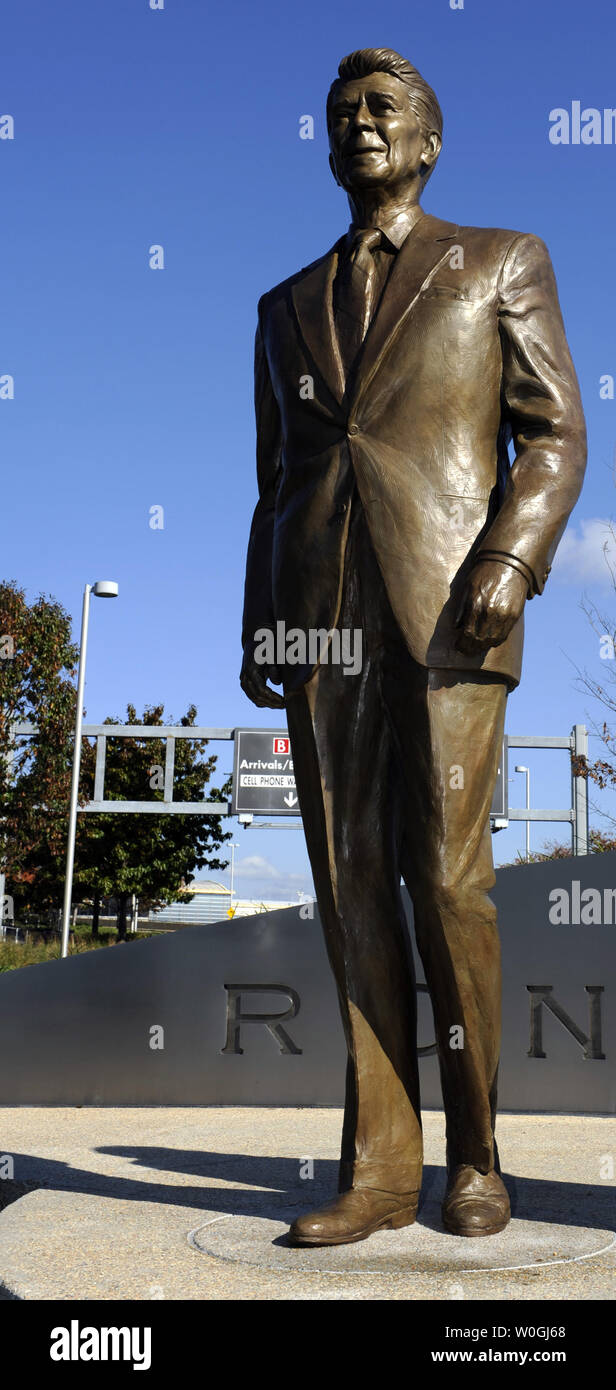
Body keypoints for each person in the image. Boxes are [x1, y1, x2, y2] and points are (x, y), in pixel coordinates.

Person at [240, 48, 587, 1245]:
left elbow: (551, 437)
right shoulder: (282, 305)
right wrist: (259, 624)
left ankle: (478, 1156)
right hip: (320, 618)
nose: (360, 124)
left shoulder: (499, 262)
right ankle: (381, 1168)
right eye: (341, 114)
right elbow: (271, 482)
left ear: (430, 140)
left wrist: (510, 558)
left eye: (383, 109)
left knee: (446, 882)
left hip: (453, 611)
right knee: (347, 886)